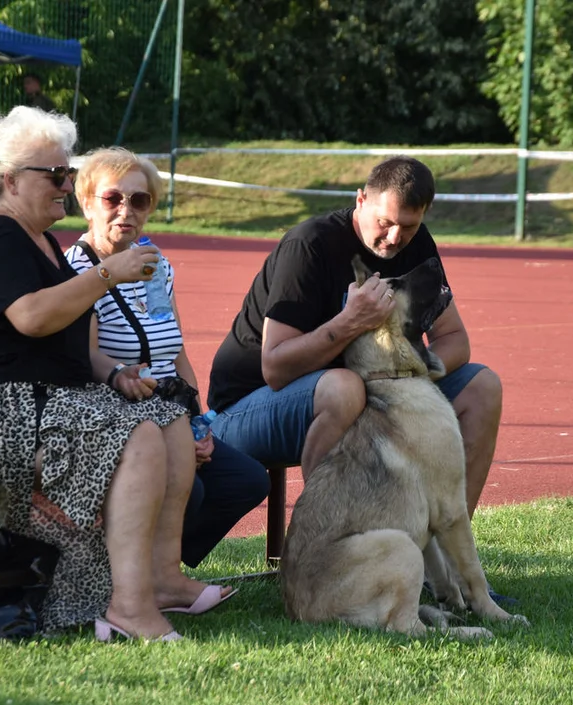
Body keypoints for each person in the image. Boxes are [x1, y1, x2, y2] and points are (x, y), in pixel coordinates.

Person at [0, 106, 234, 642]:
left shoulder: (41, 243)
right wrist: (108, 272)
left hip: (38, 401)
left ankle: (158, 581)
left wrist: (114, 379)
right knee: (134, 433)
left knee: (163, 416)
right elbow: (34, 317)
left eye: (68, 173)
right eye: (57, 176)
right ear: (12, 180)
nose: (67, 184)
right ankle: (131, 607)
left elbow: (73, 344)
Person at [207, 155, 503, 519]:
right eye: (385, 222)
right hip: (247, 411)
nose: (395, 238)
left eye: (408, 226)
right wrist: (351, 322)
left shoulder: (416, 244)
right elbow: (275, 368)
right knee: (346, 388)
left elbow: (455, 339)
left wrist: (405, 377)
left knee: (482, 386)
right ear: (361, 200)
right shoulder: (310, 245)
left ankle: (447, 555)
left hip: (363, 393)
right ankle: (326, 545)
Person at [64, 147, 270, 568]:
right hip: (113, 417)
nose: (127, 210)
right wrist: (124, 378)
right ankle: (131, 571)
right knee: (189, 489)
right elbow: (82, 358)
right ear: (87, 202)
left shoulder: (157, 266)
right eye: (113, 198)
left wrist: (196, 425)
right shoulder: (76, 271)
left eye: (139, 200)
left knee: (246, 480)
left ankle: (158, 565)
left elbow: (174, 350)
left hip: (170, 413)